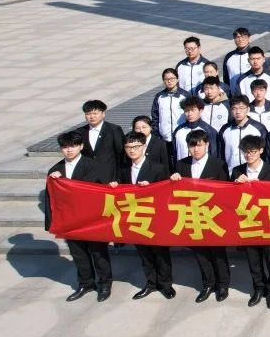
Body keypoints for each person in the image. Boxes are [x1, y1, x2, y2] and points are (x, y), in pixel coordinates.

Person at [48, 130, 114, 302]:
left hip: (92, 219)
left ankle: (105, 283)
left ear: (81, 146)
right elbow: (51, 199)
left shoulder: (94, 165)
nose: (69, 150)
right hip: (70, 220)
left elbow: (103, 192)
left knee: (98, 252)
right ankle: (86, 283)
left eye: (73, 146)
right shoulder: (55, 170)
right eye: (65, 147)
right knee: (78, 253)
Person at [111, 131, 175, 300]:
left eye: (136, 146)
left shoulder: (158, 168)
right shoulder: (123, 170)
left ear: (144, 147)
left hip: (155, 218)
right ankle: (151, 282)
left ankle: (166, 284)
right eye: (128, 147)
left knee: (160, 253)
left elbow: (167, 194)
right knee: (144, 253)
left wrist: (151, 187)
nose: (132, 150)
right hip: (136, 218)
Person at [170, 129, 230, 303]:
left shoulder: (218, 164)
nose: (196, 149)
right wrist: (173, 179)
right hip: (192, 215)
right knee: (200, 253)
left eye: (199, 145)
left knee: (217, 252)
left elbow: (225, 191)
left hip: (213, 215)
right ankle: (208, 283)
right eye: (192, 146)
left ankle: (223, 284)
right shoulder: (181, 165)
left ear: (207, 145)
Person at [231, 135, 270, 308]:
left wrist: (263, 188)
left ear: (261, 150)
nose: (249, 155)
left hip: (268, 221)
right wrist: (236, 183)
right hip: (248, 221)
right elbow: (230, 197)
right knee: (253, 258)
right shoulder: (237, 171)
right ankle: (259, 288)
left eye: (252, 151)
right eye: (246, 152)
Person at [77, 99, 125, 179]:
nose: (92, 117)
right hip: (87, 177)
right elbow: (74, 154)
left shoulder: (114, 129)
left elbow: (120, 153)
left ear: (103, 114)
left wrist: (118, 177)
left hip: (109, 177)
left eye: (95, 113)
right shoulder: (80, 132)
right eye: (88, 114)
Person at [218, 95, 268, 171]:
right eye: (234, 108)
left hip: (254, 173)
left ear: (248, 109)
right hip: (230, 172)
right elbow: (220, 153)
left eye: (241, 108)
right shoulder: (225, 129)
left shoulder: (259, 128)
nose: (238, 112)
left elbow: (265, 153)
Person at [170, 98, 218, 165]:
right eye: (186, 111)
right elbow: (173, 153)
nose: (189, 114)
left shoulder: (209, 130)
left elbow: (214, 154)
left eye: (193, 110)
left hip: (202, 169)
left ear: (200, 110)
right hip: (182, 168)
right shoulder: (178, 131)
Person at [152, 68, 190, 143]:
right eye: (166, 79)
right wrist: (157, 133)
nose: (169, 81)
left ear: (177, 79)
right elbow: (155, 116)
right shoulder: (159, 96)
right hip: (164, 137)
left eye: (172, 78)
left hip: (181, 136)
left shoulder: (185, 95)